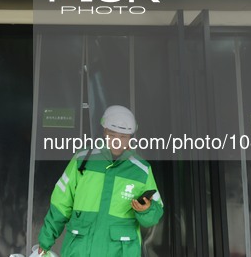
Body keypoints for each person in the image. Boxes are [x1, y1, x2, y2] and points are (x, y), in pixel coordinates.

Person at [37, 105, 164, 257]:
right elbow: (60, 204)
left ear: (131, 136)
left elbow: (155, 214)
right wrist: (45, 241)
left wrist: (147, 210)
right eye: (113, 134)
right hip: (80, 250)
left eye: (123, 136)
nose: (117, 141)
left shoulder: (141, 170)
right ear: (104, 132)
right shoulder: (82, 160)